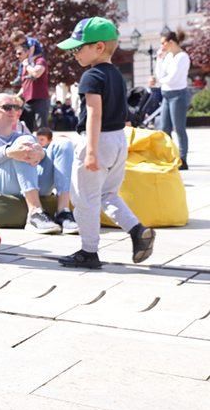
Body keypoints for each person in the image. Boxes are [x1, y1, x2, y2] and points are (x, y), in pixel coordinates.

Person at [57, 18, 156, 269]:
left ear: (98, 47)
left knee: (84, 200)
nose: (74, 53)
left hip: (97, 142)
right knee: (108, 194)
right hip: (117, 140)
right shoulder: (116, 74)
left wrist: (90, 151)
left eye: (78, 47)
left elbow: (94, 114)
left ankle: (88, 252)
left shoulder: (91, 75)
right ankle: (137, 230)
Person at [0, 94, 76, 235]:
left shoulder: (20, 136)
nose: (13, 111)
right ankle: (34, 213)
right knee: (23, 145)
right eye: (7, 107)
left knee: (63, 143)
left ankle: (63, 212)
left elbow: (40, 152)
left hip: (27, 182)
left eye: (15, 107)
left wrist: (40, 154)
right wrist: (12, 151)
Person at [150, 29, 191, 170]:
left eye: (163, 43)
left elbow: (172, 79)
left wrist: (160, 80)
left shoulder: (182, 57)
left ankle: (183, 159)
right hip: (166, 95)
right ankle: (169, 157)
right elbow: (160, 74)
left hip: (178, 95)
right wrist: (159, 59)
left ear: (171, 42)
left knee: (179, 128)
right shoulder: (168, 57)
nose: (161, 46)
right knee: (164, 128)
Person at [14, 39, 50, 132]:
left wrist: (26, 64)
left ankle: (44, 146)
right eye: (16, 54)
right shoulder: (24, 67)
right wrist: (16, 96)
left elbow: (36, 73)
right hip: (27, 101)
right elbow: (25, 85)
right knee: (26, 129)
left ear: (28, 51)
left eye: (19, 53)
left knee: (42, 130)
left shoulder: (39, 60)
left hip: (40, 100)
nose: (17, 56)